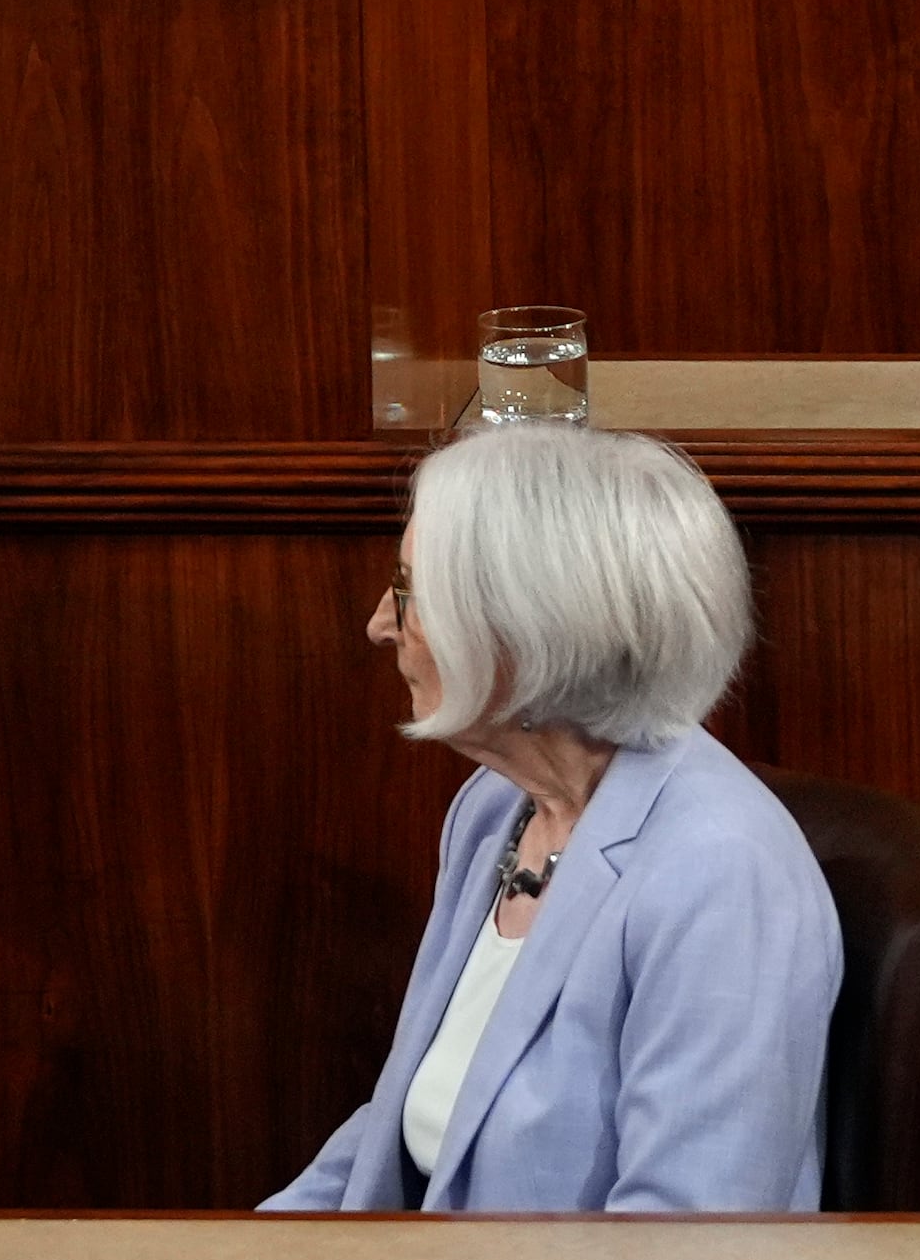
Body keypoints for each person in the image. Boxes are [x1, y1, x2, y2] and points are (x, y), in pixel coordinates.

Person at [266, 419, 836, 1212]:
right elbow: (410, 1116)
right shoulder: (495, 809)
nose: (380, 622)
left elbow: (687, 1248)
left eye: (409, 591)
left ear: (520, 630)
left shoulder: (722, 875)